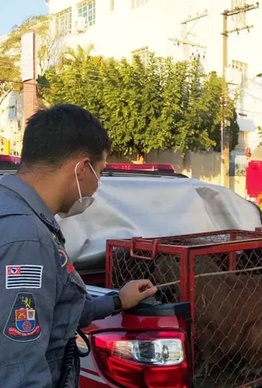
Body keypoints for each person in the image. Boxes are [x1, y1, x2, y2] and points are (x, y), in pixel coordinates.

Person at [0, 104, 158, 387]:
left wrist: (117, 301)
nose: (98, 185)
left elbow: (51, 308)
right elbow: (19, 367)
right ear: (82, 169)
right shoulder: (27, 238)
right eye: (101, 172)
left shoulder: (12, 209)